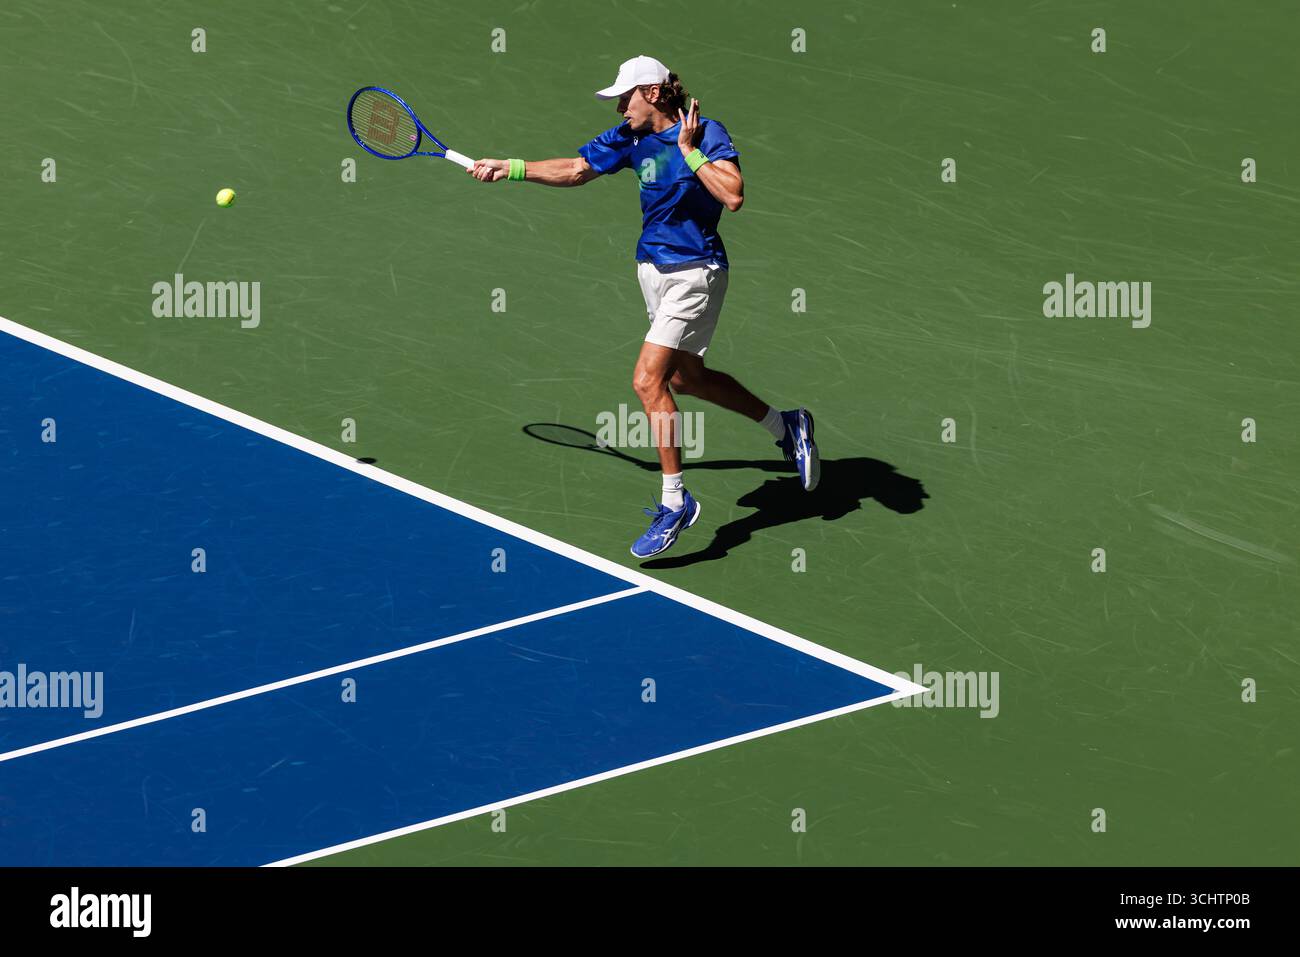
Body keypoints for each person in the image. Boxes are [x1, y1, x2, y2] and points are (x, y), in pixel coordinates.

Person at [469, 55, 819, 558]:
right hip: (651, 271)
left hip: (697, 271)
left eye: (624, 96)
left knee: (646, 381)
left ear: (653, 93)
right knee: (684, 380)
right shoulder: (629, 140)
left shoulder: (705, 132)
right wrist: (511, 168)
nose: (618, 107)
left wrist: (688, 152)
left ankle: (675, 500)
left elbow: (734, 196)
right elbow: (576, 168)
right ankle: (785, 425)